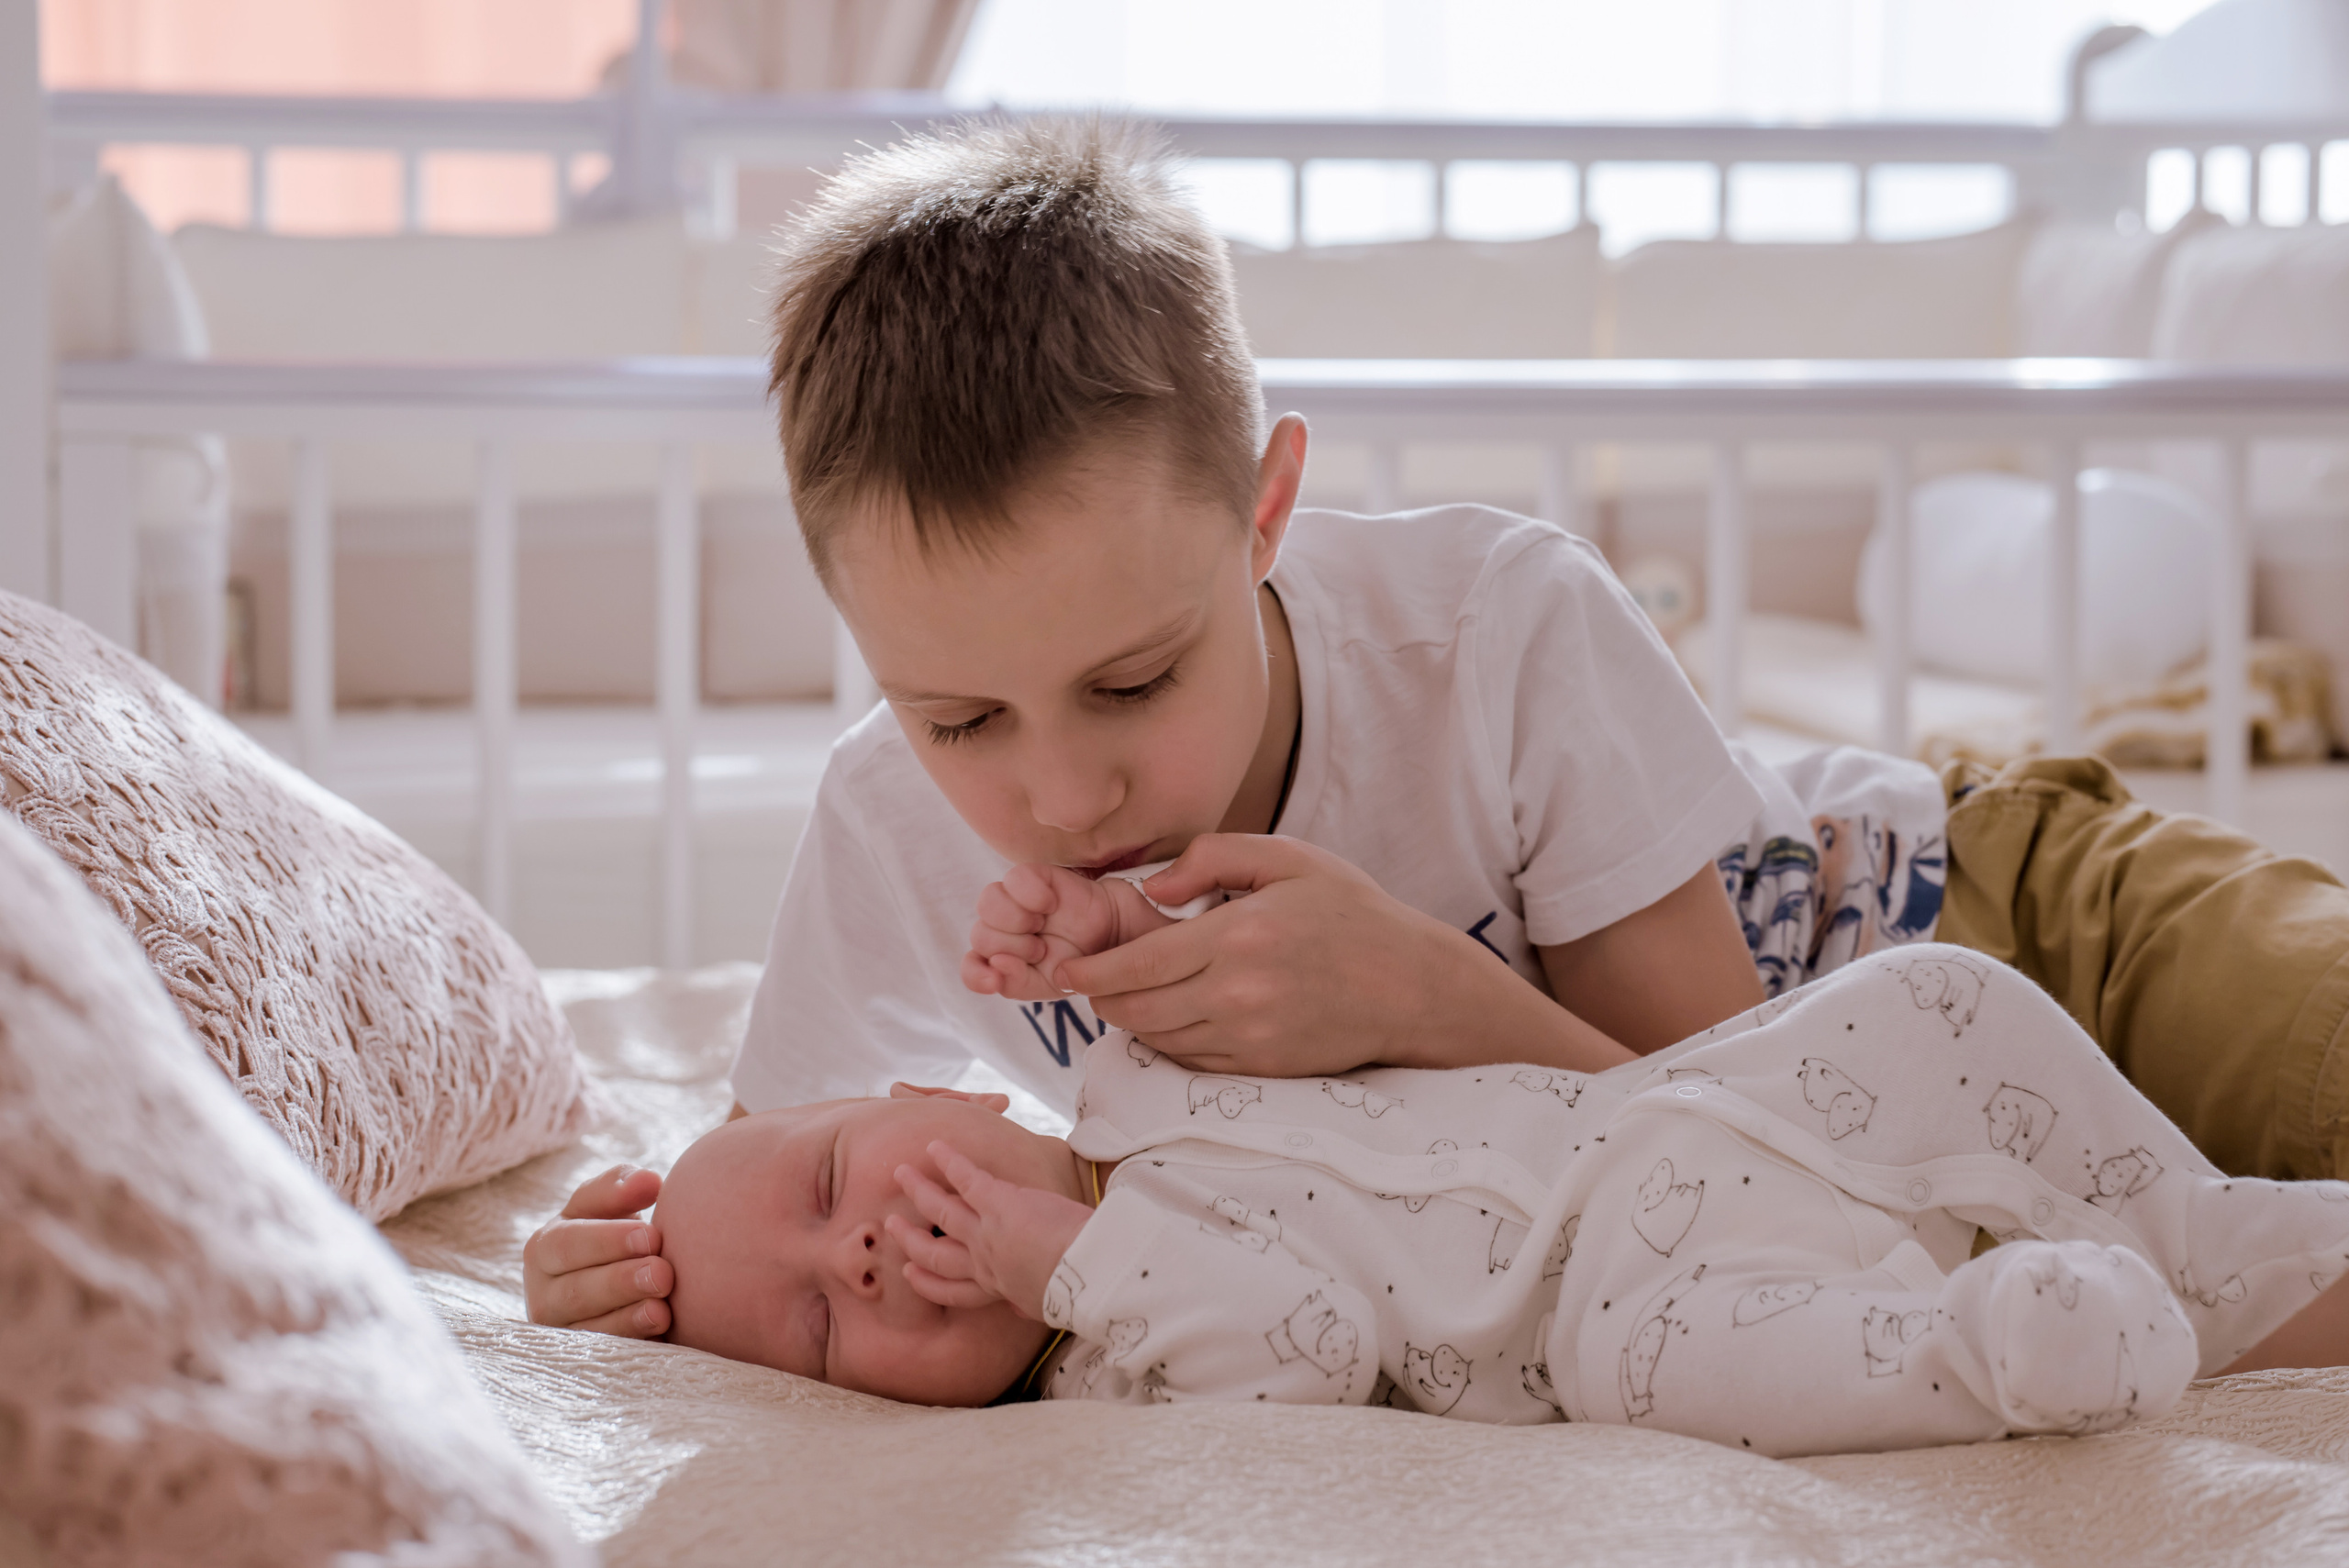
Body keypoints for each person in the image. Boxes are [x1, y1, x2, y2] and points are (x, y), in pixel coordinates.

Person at [522, 116, 2349, 1342]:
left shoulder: (1494, 627)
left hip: (1977, 931)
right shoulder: (881, 830)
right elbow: (772, 1191)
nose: (1060, 794)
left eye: (1134, 682)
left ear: (1265, 509)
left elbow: (1753, 1131)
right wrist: (641, 1263)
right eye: (955, 718)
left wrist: (1415, 997)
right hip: (1834, 1151)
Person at [648, 929, 2349, 1458]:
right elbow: (1308, 1350)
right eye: (814, 1327)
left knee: (1933, 997)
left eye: (825, 1181)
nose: (853, 1253)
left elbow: (1290, 966)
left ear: (937, 1091)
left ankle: (2222, 1243)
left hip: (1716, 1099)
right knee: (1654, 1374)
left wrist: (1096, 927)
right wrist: (1070, 1261)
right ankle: (1990, 1346)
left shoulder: (1136, 1064)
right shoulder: (1111, 1380)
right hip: (1624, 1293)